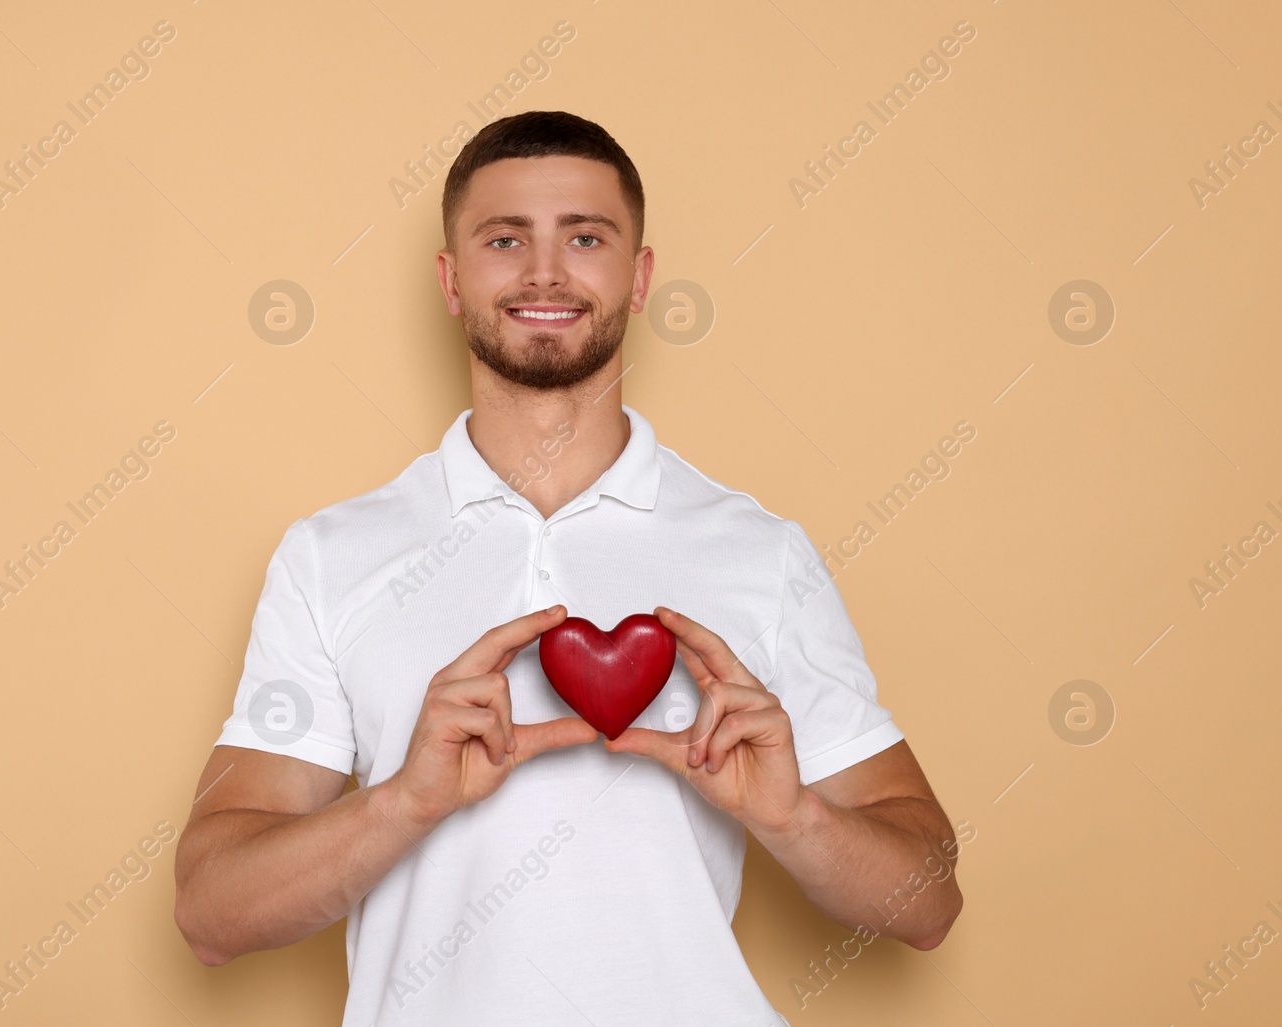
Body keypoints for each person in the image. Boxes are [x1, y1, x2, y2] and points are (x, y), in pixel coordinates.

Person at [173, 110, 962, 1026]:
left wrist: (794, 817)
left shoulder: (759, 552)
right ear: (451, 279)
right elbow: (211, 913)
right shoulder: (331, 554)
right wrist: (405, 802)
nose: (545, 271)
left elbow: (931, 902)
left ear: (640, 275)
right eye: (505, 239)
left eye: (585, 237)